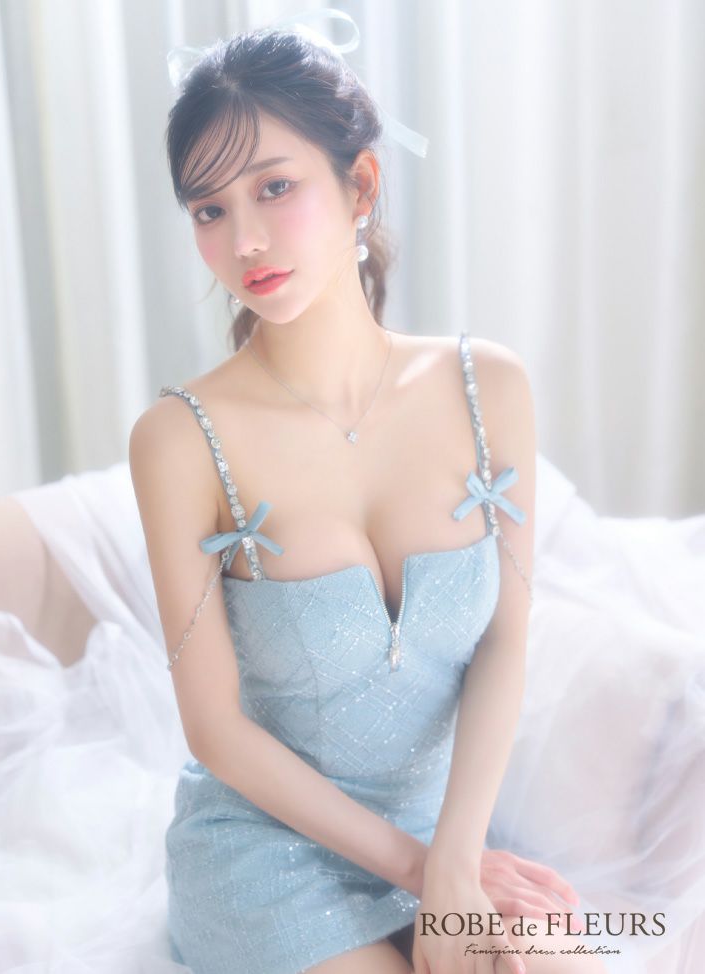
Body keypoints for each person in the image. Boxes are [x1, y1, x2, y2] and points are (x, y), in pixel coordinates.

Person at [128, 14, 613, 974]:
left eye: (275, 187)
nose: (244, 238)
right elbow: (214, 729)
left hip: (439, 835)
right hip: (261, 851)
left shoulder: (488, 387)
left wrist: (456, 864)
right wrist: (431, 874)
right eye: (209, 209)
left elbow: (506, 640)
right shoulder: (180, 439)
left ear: (360, 185)